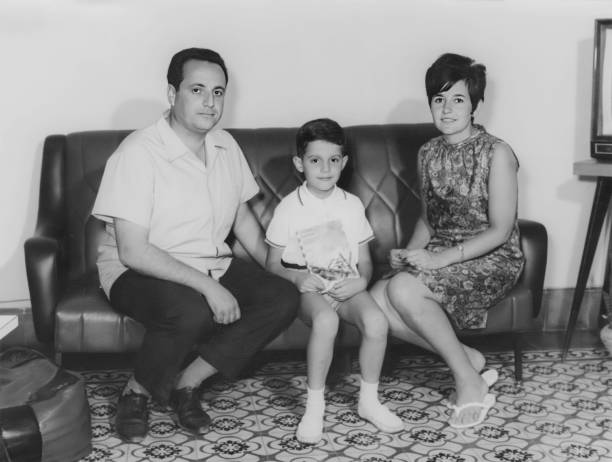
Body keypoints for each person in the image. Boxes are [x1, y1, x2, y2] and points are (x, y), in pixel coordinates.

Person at [92, 47, 299, 442]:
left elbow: (242, 222)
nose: (210, 102)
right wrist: (208, 287)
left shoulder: (225, 146)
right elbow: (133, 251)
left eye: (218, 92)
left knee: (282, 297)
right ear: (173, 94)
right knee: (191, 309)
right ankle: (134, 393)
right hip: (136, 270)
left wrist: (282, 273)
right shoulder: (138, 152)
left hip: (210, 262)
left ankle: (186, 383)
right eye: (198, 90)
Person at [370, 53, 524, 429]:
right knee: (374, 300)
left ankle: (468, 380)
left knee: (404, 291)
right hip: (443, 250)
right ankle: (467, 358)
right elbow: (428, 218)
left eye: (457, 99)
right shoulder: (428, 152)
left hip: (493, 255)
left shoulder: (497, 152)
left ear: (474, 103)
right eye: (439, 99)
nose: (447, 108)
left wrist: (439, 260)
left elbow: (501, 230)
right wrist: (410, 252)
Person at [265, 118, 403, 444]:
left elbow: (365, 262)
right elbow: (272, 263)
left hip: (346, 285)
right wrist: (297, 277)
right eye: (315, 160)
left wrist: (363, 281)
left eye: (333, 160)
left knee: (376, 321)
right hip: (309, 288)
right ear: (300, 163)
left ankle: (369, 401)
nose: (325, 169)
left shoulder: (351, 205)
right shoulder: (289, 207)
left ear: (344, 162)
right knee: (326, 320)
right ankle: (314, 408)